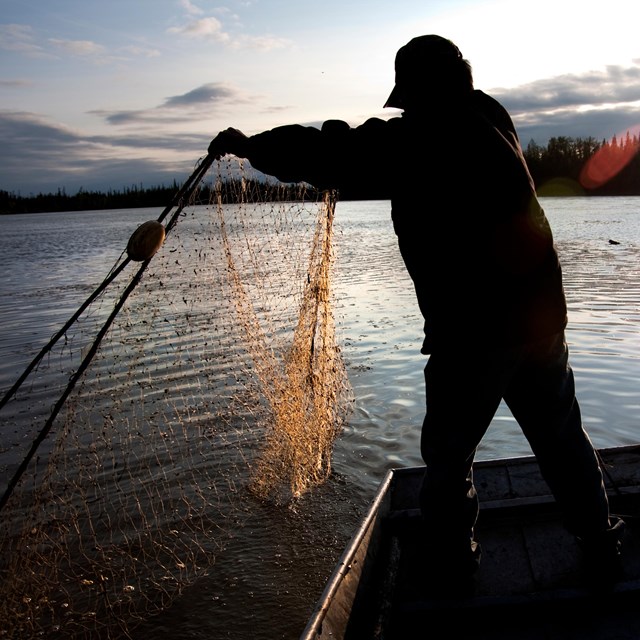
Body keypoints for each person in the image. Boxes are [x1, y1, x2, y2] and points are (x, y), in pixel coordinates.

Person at [208, 34, 625, 593]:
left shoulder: (428, 136)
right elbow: (354, 149)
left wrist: (250, 144)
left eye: (410, 98)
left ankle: (454, 562)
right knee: (561, 437)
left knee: (448, 455)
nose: (404, 108)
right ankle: (600, 543)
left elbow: (333, 151)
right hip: (540, 317)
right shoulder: (488, 114)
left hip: (476, 330)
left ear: (423, 93)